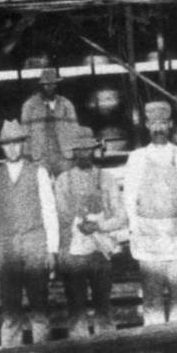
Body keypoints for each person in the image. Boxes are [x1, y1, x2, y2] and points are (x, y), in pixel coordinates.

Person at [118, 98, 177, 329]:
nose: (158, 128)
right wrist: (133, 232)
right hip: (147, 239)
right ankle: (156, 348)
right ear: (147, 125)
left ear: (170, 125)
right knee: (152, 297)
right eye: (153, 123)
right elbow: (128, 198)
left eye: (163, 123)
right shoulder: (137, 158)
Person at [0, 118, 62, 346]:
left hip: (35, 244)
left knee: (39, 306)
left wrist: (52, 249)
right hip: (5, 248)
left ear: (23, 144)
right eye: (8, 144)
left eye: (17, 143)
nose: (13, 148)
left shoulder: (39, 173)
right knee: (10, 308)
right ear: (2, 147)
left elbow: (49, 211)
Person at [50, 127, 122, 339]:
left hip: (100, 253)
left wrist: (99, 226)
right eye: (79, 150)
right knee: (76, 308)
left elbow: (121, 215)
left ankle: (108, 347)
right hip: (73, 254)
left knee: (103, 306)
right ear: (73, 152)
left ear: (93, 150)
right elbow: (60, 214)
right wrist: (78, 223)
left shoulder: (106, 178)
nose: (84, 154)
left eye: (88, 149)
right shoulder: (63, 180)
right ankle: (80, 352)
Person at [17, 58, 87, 174]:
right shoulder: (29, 106)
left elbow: (75, 129)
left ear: (57, 85)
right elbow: (24, 133)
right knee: (42, 186)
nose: (50, 87)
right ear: (40, 85)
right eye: (46, 84)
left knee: (65, 184)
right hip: (39, 156)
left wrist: (75, 153)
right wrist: (26, 156)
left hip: (64, 154)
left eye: (53, 84)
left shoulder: (66, 104)